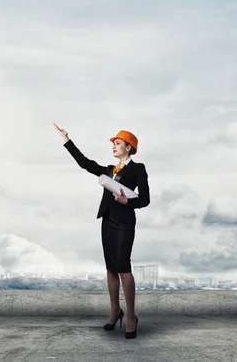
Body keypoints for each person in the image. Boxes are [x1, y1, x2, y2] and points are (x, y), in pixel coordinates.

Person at [53, 123, 150, 339]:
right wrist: (67, 140)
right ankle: (115, 311)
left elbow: (145, 199)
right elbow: (84, 163)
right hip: (107, 222)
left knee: (124, 267)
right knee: (111, 268)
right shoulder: (108, 170)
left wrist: (126, 201)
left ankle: (131, 316)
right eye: (113, 144)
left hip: (125, 223)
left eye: (118, 143)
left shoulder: (138, 169)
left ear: (129, 147)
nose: (113, 146)